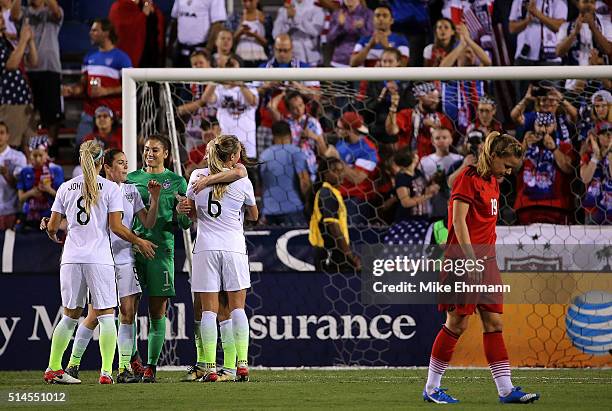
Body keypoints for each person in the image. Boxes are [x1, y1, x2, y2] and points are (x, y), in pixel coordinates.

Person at [422, 132, 540, 404]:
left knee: (494, 322)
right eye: (507, 165)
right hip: (464, 261)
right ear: (494, 156)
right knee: (456, 323)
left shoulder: (492, 182)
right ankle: (431, 388)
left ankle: (506, 390)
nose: (509, 172)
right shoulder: (468, 177)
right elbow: (458, 222)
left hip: (486, 263)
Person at [42, 140, 156, 385]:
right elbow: (115, 227)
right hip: (99, 258)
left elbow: (52, 226)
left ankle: (54, 368)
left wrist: (52, 234)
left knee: (70, 316)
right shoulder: (110, 188)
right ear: (100, 162)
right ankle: (106, 372)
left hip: (71, 258)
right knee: (106, 315)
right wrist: (137, 240)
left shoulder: (65, 187)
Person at [179, 134, 258, 382]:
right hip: (233, 247)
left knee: (209, 312)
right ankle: (242, 364)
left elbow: (190, 215)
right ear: (233, 156)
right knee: (237, 308)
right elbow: (254, 216)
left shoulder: (195, 177)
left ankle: (211, 367)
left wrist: (184, 207)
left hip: (205, 248)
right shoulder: (243, 181)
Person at [125, 134, 191, 382]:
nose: (149, 153)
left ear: (166, 153)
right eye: (146, 149)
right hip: (133, 251)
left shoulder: (176, 181)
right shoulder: (131, 179)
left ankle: (151, 367)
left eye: (154, 149)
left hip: (162, 250)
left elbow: (185, 222)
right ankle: (132, 361)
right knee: (127, 309)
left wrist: (182, 212)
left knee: (157, 310)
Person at [62, 19, 132, 145]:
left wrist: (106, 91)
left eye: (95, 30)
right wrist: (72, 90)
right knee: (81, 145)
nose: (90, 33)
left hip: (111, 115)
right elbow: (82, 85)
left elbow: (130, 85)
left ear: (106, 33)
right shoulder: (89, 57)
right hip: (90, 112)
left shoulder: (122, 58)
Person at [255, 34, 319, 156]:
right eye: (279, 50)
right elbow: (251, 96)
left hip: (295, 126)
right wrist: (266, 86)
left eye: (286, 50)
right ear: (274, 49)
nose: (282, 54)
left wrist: (298, 86)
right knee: (265, 163)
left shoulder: (304, 68)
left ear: (292, 49)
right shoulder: (263, 69)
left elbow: (316, 96)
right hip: (268, 125)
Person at [11, 0, 63, 149]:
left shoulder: (53, 10)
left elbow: (56, 12)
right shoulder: (24, 11)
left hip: (50, 69)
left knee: (52, 115)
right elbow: (14, 15)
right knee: (29, 113)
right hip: (28, 69)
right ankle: (30, 149)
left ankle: (51, 150)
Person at [514, 112, 575, 224]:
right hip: (526, 207)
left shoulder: (564, 146)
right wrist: (524, 147)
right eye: (540, 125)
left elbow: (569, 169)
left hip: (557, 207)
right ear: (534, 126)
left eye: (547, 125)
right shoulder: (523, 145)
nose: (543, 130)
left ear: (555, 126)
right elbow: (513, 169)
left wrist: (554, 149)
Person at [309, 157, 360, 273]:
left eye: (342, 170)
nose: (340, 174)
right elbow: (333, 227)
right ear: (325, 174)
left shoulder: (333, 193)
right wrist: (350, 255)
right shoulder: (327, 194)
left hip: (335, 252)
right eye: (335, 171)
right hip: (330, 253)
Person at [202, 58, 258, 159]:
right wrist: (216, 78)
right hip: (226, 148)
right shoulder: (219, 89)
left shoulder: (249, 87)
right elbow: (206, 99)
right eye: (228, 69)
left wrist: (239, 82)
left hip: (247, 148)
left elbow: (253, 101)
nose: (231, 72)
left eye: (234, 69)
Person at [509, 0, 567, 97]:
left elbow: (559, 26)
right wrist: (528, 20)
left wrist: (537, 13)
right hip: (524, 57)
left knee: (552, 100)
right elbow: (512, 28)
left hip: (550, 58)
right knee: (524, 101)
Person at [260, 120, 310, 225]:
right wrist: (308, 203)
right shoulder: (296, 152)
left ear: (273, 136)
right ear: (290, 134)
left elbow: (261, 184)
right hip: (293, 210)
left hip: (269, 211)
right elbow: (304, 182)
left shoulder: (264, 155)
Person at [269, 90, 327, 181]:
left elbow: (324, 152)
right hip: (291, 168)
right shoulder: (286, 123)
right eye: (294, 108)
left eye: (301, 105)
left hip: (310, 168)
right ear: (288, 110)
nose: (299, 110)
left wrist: (314, 136)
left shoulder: (313, 123)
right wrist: (283, 93)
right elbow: (271, 106)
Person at [386, 82, 455, 157]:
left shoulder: (443, 119)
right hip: (409, 160)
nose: (435, 101)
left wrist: (434, 126)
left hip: (434, 162)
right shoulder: (406, 115)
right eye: (431, 98)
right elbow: (392, 131)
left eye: (437, 98)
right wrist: (393, 107)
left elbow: (450, 142)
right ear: (419, 97)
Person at [0, 13, 38, 151]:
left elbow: (33, 62)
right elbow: (11, 64)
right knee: (12, 146)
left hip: (25, 100)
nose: (3, 20)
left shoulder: (8, 42)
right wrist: (23, 40)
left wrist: (30, 40)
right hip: (11, 101)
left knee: (33, 147)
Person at [17, 136, 63, 228]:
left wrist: (49, 190)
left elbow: (62, 198)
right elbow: (21, 198)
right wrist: (31, 193)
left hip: (50, 216)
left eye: (40, 155)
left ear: (46, 153)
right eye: (34, 155)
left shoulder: (56, 170)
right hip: (30, 217)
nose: (38, 159)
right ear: (30, 155)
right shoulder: (24, 171)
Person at [169, 0, 226, 67]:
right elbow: (175, 20)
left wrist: (208, 49)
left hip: (201, 51)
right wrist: (170, 44)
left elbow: (217, 24)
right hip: (180, 50)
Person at [556, 0, 612, 66]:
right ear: (578, 4)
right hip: (573, 74)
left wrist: (593, 27)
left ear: (595, 5)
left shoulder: (605, 24)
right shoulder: (566, 26)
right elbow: (559, 53)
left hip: (597, 73)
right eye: (585, 2)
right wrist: (574, 33)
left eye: (592, 2)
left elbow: (608, 50)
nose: (588, 5)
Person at [272, 0, 325, 66]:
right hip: (290, 57)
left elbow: (315, 32)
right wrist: (286, 18)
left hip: (311, 58)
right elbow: (275, 35)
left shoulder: (316, 8)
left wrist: (296, 17)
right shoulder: (284, 10)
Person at [580, 121, 612, 224]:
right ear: (597, 136)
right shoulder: (588, 155)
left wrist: (610, 155)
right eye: (605, 133)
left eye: (611, 133)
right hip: (592, 210)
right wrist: (595, 157)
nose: (609, 136)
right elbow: (585, 178)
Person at [327, 0, 373, 67]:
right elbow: (329, 39)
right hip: (339, 61)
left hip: (359, 61)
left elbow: (371, 40)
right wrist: (339, 26)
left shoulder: (368, 14)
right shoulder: (337, 14)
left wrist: (361, 29)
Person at [226, 0, 270, 68]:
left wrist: (255, 35)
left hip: (259, 57)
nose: (247, 4)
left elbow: (268, 42)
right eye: (244, 1)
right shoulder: (235, 17)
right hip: (240, 57)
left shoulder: (265, 17)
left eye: (251, 1)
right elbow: (230, 41)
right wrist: (240, 32)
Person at [0, 121, 26, 230]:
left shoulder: (18, 157)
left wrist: (6, 174)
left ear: (7, 135)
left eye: (1, 133)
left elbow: (22, 186)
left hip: (11, 210)